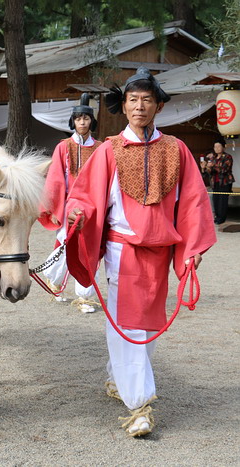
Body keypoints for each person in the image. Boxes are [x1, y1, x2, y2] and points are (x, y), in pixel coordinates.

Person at [65, 68, 216, 437]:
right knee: (128, 321)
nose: (139, 106)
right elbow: (85, 195)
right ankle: (140, 407)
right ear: (124, 106)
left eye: (147, 99)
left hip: (160, 252)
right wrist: (77, 214)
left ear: (158, 106)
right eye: (133, 99)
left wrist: (192, 248)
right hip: (121, 250)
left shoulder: (176, 149)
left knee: (146, 326)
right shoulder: (109, 149)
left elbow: (193, 202)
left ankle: (119, 378)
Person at [39, 93, 102, 313]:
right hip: (68, 206)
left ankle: (85, 296)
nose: (82, 122)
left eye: (86, 118)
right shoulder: (63, 147)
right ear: (73, 121)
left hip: (93, 207)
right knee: (65, 244)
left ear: (92, 121)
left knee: (89, 249)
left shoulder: (101, 148)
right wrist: (55, 208)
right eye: (78, 119)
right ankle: (55, 281)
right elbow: (56, 179)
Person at [201, 138, 234, 224]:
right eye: (215, 147)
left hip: (224, 182)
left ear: (224, 147)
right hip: (215, 182)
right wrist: (205, 167)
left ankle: (221, 219)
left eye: (219, 146)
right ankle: (217, 217)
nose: (217, 148)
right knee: (216, 200)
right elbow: (210, 172)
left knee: (222, 201)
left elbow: (224, 169)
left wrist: (212, 165)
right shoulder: (213, 158)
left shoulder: (227, 157)